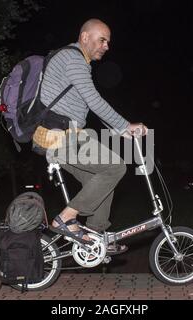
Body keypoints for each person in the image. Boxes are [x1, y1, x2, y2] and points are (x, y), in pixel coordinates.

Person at [33, 18, 147, 254]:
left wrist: (119, 130)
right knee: (115, 167)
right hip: (59, 136)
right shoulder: (73, 58)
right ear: (85, 37)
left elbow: (88, 104)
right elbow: (94, 100)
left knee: (99, 181)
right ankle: (66, 218)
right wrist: (125, 125)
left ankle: (96, 235)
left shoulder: (75, 61)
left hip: (59, 136)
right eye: (102, 39)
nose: (106, 46)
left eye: (108, 42)